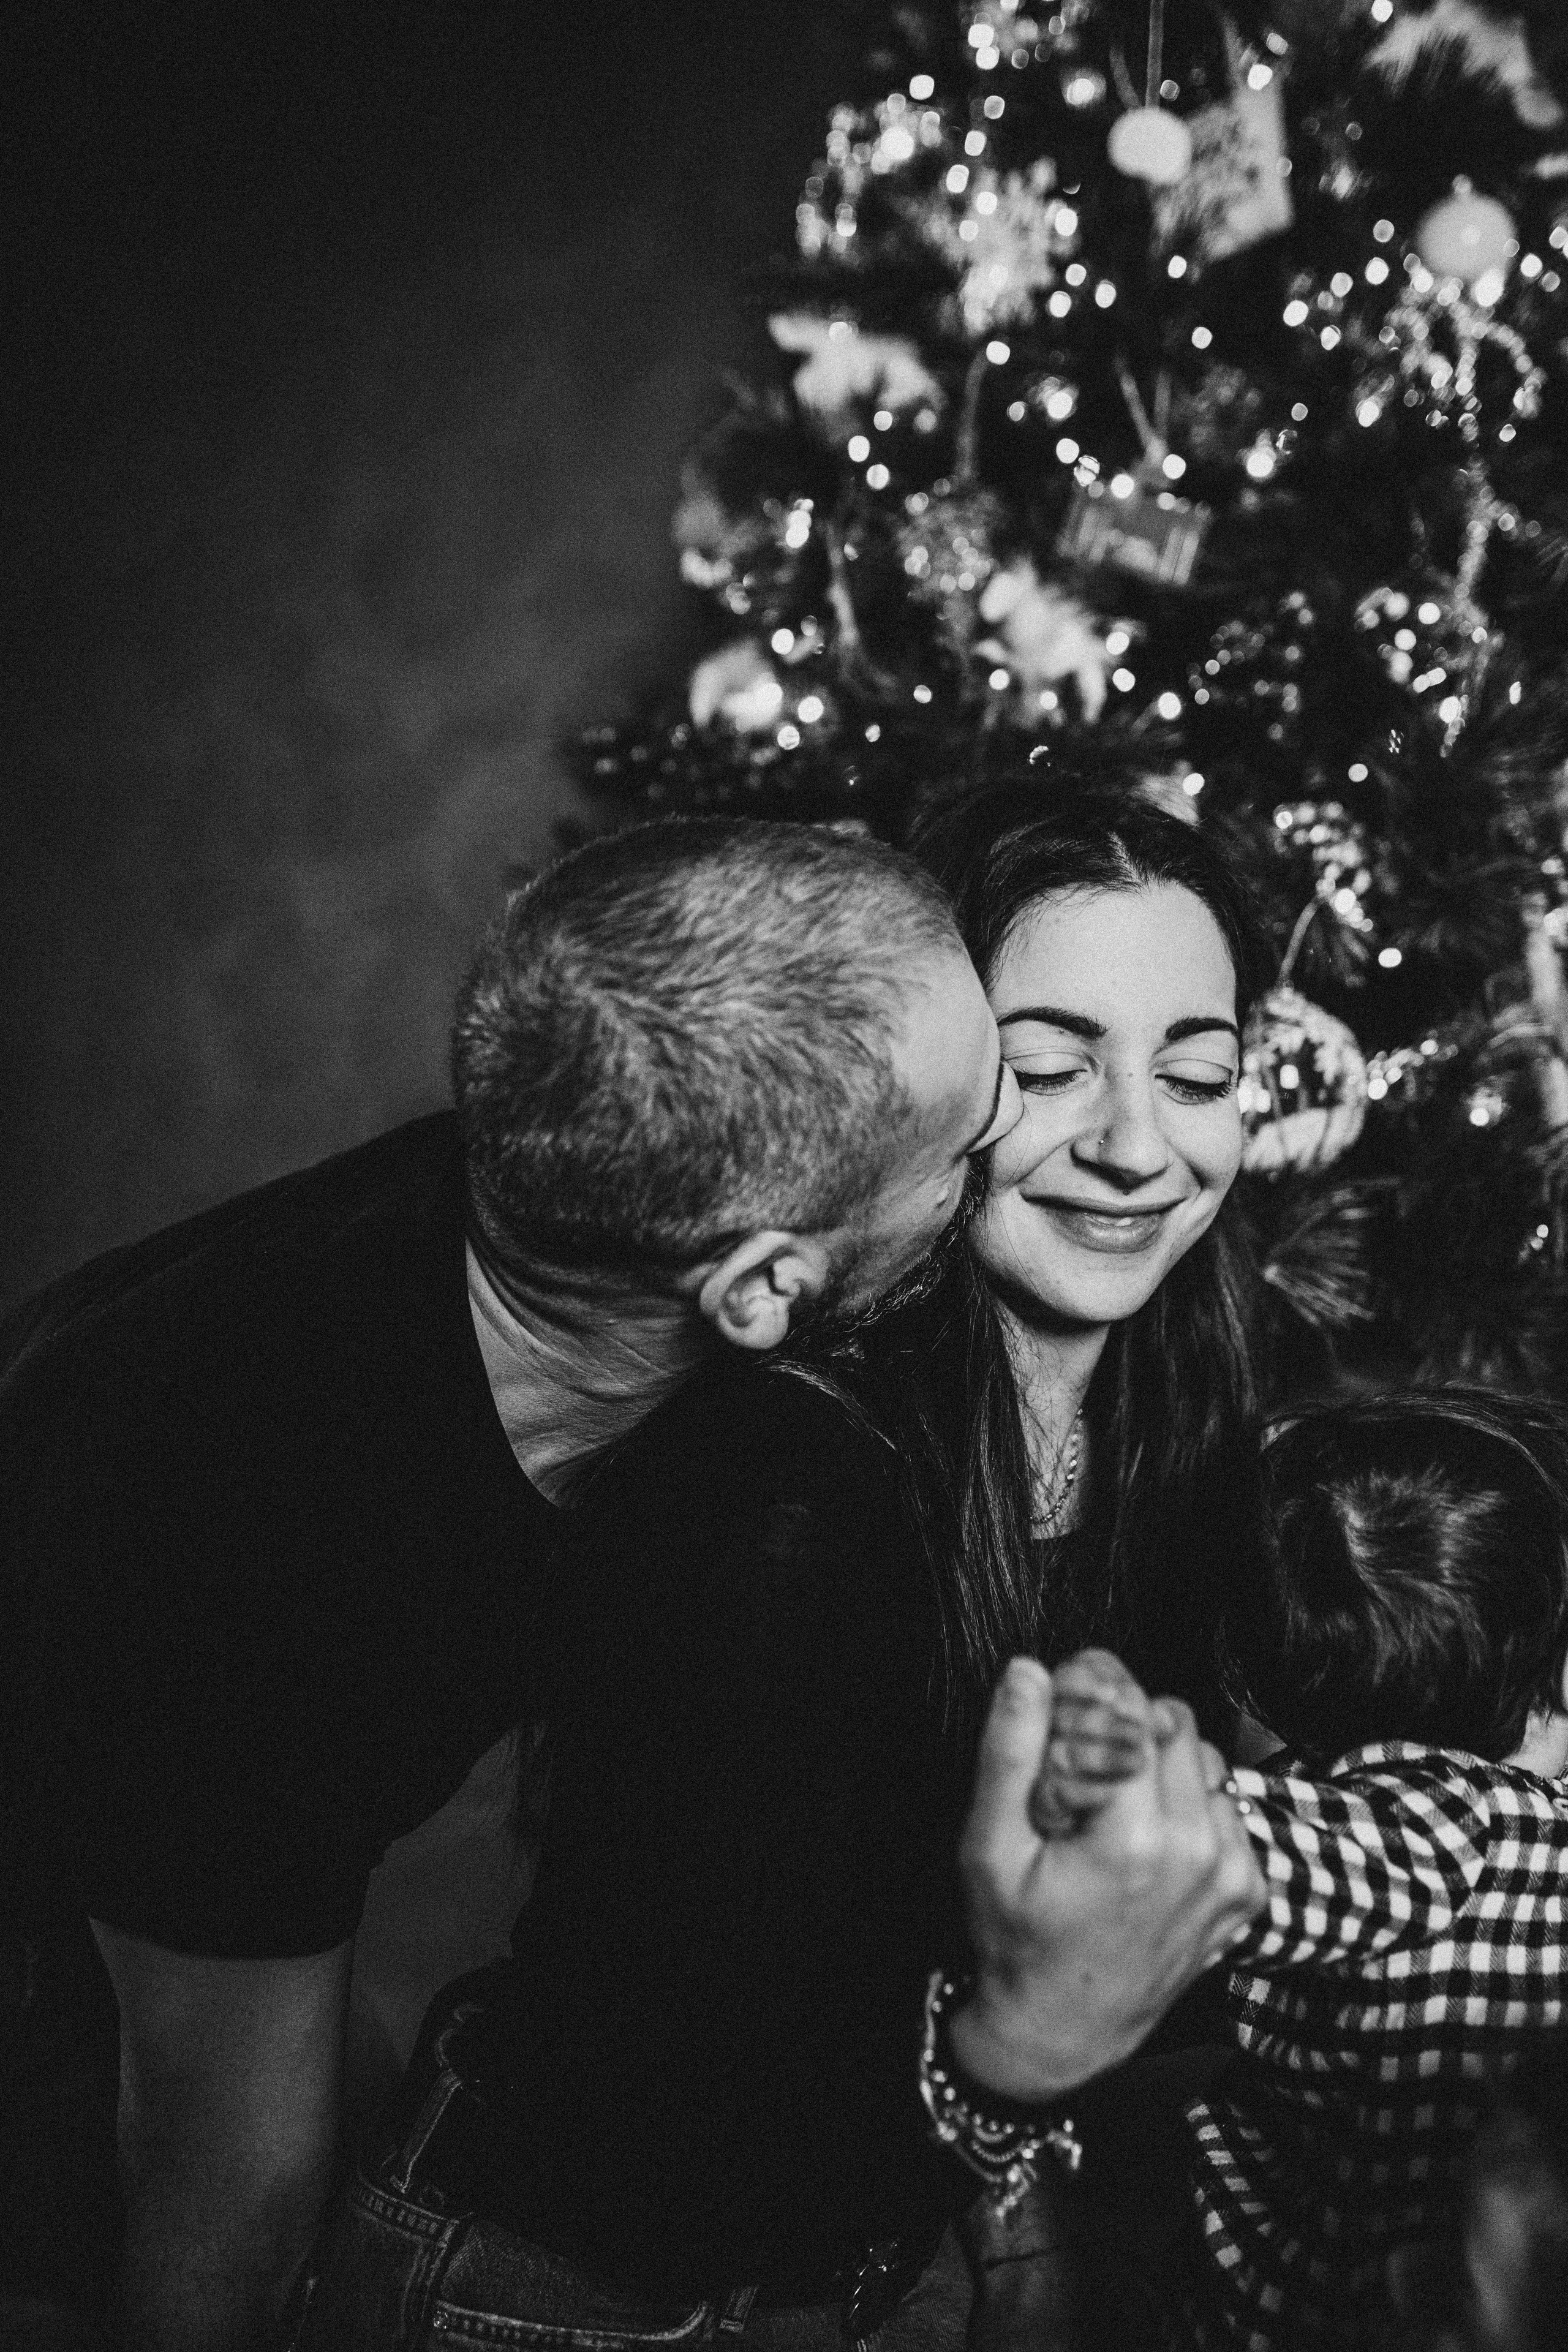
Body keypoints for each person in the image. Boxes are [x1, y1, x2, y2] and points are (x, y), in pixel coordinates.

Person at [1, 815, 1023, 2351]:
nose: (1016, 1140)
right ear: (760, 1290)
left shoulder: (603, 1153)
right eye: (966, 1142)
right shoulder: (239, 1556)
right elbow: (227, 2187)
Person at [291, 785, 1270, 2347]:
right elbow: (686, 2133)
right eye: (1045, 1069)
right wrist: (1015, 2060)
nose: (1136, 1145)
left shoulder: (1188, 1411)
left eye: (1196, 1071)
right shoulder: (773, 1494)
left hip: (855, 2262)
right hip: (566, 2291)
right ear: (922, 1090)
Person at [1036, 1388, 1568, 2351]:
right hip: (1356, 2311)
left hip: (1273, 2263)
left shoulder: (1358, 1795)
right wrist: (1136, 1796)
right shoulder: (1456, 1826)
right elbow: (1256, 1851)